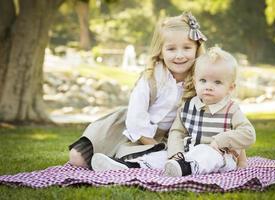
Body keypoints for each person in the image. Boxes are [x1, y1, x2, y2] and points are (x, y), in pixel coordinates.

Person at [68, 12, 207, 171]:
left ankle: (120, 165)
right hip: (130, 128)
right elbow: (136, 117)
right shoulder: (152, 77)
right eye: (171, 49)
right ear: (160, 51)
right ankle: (115, 160)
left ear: (196, 49)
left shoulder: (201, 79)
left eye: (187, 48)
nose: (179, 55)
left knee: (164, 158)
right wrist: (153, 146)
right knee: (77, 159)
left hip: (169, 137)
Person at [164, 47, 256, 177]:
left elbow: (248, 134)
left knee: (205, 153)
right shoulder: (187, 107)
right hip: (189, 153)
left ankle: (185, 168)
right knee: (163, 153)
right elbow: (177, 132)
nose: (208, 86)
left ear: (230, 88)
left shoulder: (231, 110)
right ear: (195, 82)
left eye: (217, 82)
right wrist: (176, 153)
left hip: (220, 157)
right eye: (203, 80)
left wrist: (221, 141)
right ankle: (136, 163)